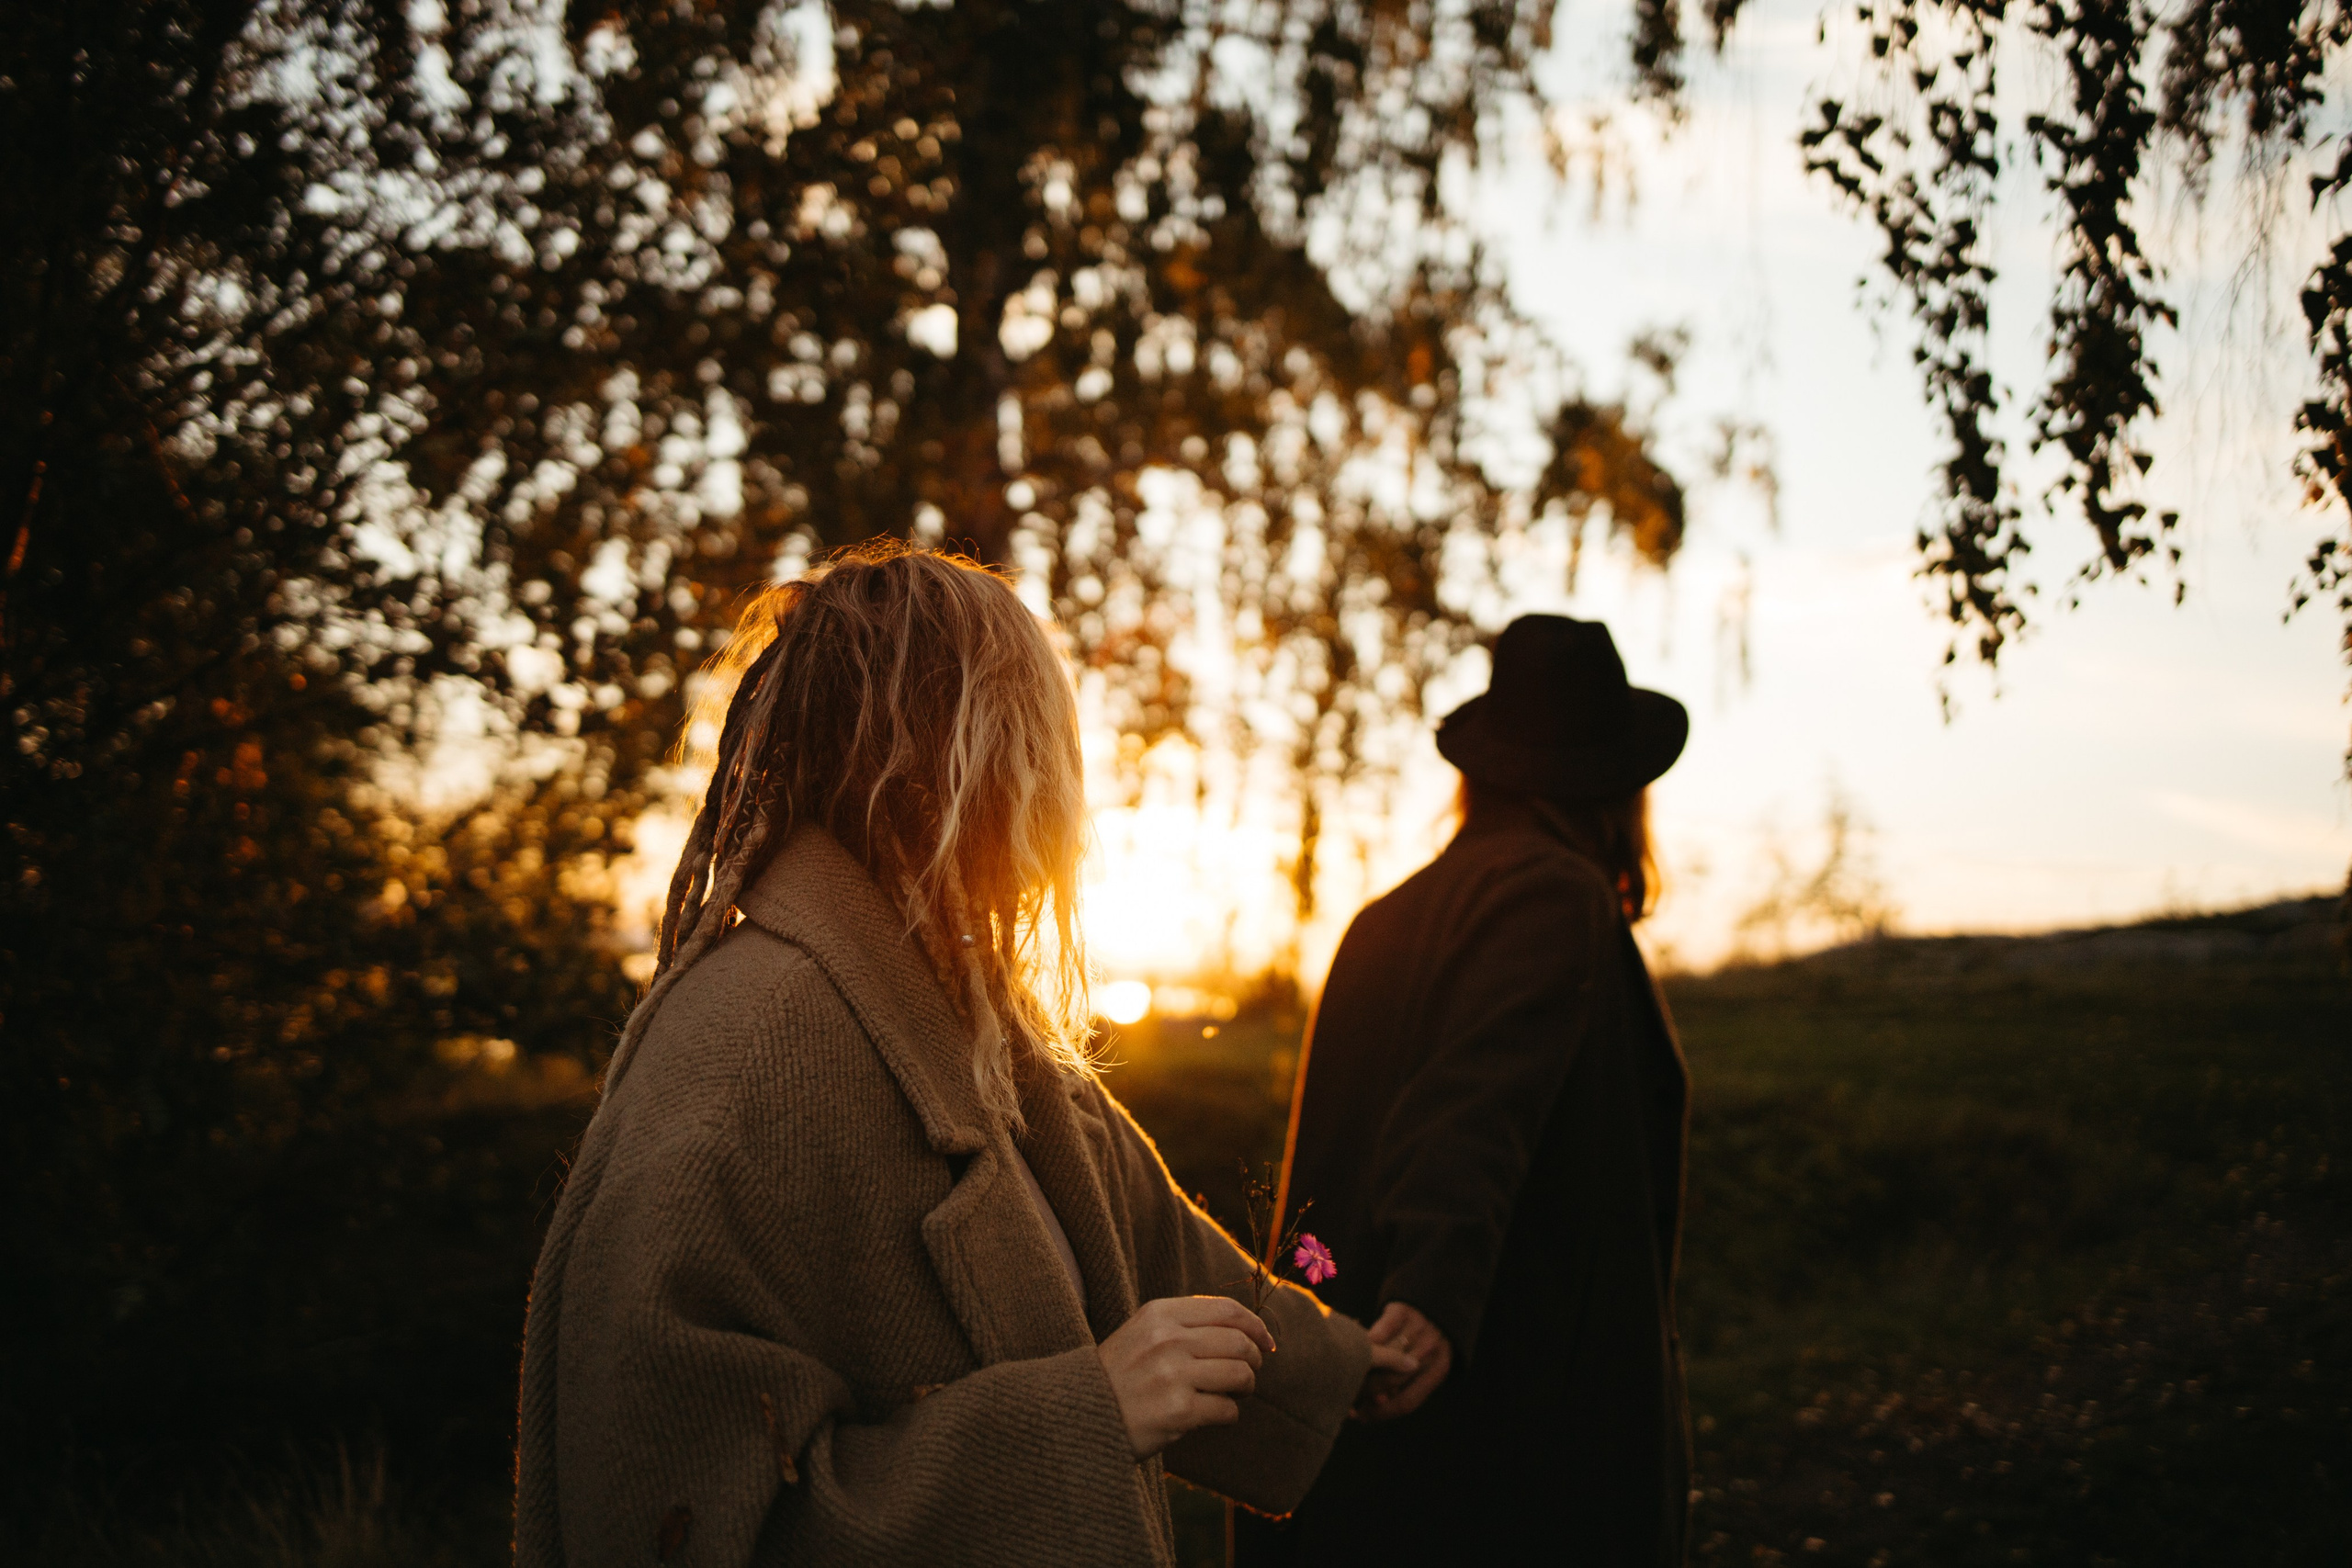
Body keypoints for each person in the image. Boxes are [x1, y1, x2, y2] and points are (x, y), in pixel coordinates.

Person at [514, 544, 1416, 1567]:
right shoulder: (743, 1053)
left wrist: (1349, 1364)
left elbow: (1148, 1238)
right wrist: (1085, 1420)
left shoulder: (964, 1007)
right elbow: (665, 1518)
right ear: (953, 754)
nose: (1058, 800)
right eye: (1035, 744)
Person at [1235, 613, 1694, 1566]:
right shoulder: (1553, 895)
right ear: (1616, 786)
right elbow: (1474, 1102)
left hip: (1360, 1404)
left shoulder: (1381, 920)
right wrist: (1435, 1290)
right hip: (1502, 1423)